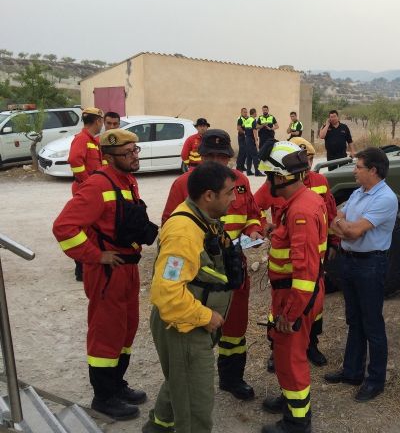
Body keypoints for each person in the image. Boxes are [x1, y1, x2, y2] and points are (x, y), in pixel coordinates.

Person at [53, 129, 157, 421]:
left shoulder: (127, 180)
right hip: (108, 272)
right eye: (128, 153)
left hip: (127, 267)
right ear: (109, 157)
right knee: (107, 332)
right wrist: (95, 255)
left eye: (136, 150)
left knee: (126, 328)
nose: (135, 156)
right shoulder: (97, 185)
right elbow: (63, 227)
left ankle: (117, 384)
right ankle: (103, 397)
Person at [161, 129, 263, 401]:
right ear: (201, 156)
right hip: (200, 273)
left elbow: (253, 215)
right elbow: (169, 224)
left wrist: (254, 230)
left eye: (222, 156)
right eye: (211, 156)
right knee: (196, 328)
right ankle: (192, 383)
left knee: (235, 328)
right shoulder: (183, 184)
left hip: (233, 268)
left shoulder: (240, 181)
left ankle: (232, 379)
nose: (217, 162)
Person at [143, 162, 240, 433]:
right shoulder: (183, 234)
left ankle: (158, 427)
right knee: (195, 403)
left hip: (191, 323)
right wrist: (205, 316)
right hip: (185, 326)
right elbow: (168, 293)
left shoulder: (203, 221)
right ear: (208, 195)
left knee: (182, 379)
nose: (234, 198)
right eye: (229, 193)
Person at [259, 140, 328, 433]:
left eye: (269, 176)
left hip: (295, 295)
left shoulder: (300, 211)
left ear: (280, 177)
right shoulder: (303, 201)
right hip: (289, 293)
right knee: (285, 353)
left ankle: (297, 422)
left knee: (291, 357)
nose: (267, 182)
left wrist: (291, 313)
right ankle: (290, 401)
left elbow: (304, 271)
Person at [254, 137, 338, 368]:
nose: (307, 164)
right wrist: (266, 227)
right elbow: (254, 206)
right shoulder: (283, 187)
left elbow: (330, 213)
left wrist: (333, 241)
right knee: (287, 322)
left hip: (304, 272)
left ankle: (307, 345)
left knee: (308, 313)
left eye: (310, 158)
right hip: (293, 274)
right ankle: (280, 349)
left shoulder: (314, 189)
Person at [324, 147, 398, 402]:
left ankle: (375, 380)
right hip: (349, 261)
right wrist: (344, 226)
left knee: (372, 323)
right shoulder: (359, 192)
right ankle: (352, 372)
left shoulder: (385, 198)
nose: (354, 171)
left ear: (373, 170)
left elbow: (353, 232)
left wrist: (343, 226)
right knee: (354, 319)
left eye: (358, 167)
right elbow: (336, 218)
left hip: (370, 265)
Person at [67, 107, 106, 281]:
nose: (102, 124)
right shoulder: (82, 139)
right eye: (102, 121)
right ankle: (80, 269)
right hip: (85, 190)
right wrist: (88, 183)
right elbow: (75, 161)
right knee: (83, 228)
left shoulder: (93, 141)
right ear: (98, 121)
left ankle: (87, 265)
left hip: (91, 190)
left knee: (92, 228)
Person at [243, 108, 264, 176]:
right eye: (256, 113)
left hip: (246, 138)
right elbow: (254, 131)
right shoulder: (253, 120)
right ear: (254, 113)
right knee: (255, 156)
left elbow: (244, 128)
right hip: (251, 139)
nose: (256, 114)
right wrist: (256, 141)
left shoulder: (247, 120)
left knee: (249, 156)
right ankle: (257, 172)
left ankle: (248, 171)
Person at [236, 108, 248, 172]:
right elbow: (238, 128)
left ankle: (242, 166)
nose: (245, 113)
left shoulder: (248, 119)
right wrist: (244, 133)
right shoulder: (240, 119)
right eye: (244, 112)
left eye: (246, 112)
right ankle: (238, 166)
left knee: (245, 152)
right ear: (241, 112)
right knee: (241, 151)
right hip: (241, 137)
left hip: (247, 137)